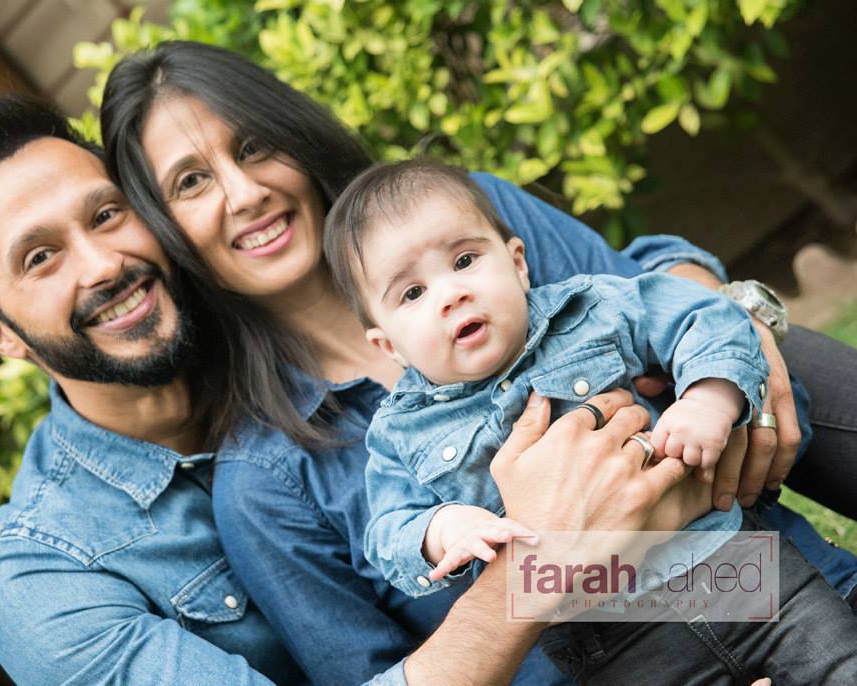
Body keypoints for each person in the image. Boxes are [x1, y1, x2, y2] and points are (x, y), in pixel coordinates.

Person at [99, 41, 857, 685]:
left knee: (773, 350)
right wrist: (505, 545)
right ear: (167, 228)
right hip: (620, 658)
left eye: (253, 146)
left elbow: (641, 288)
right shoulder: (267, 484)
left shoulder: (464, 213)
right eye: (191, 183)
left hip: (757, 570)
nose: (245, 193)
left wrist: (727, 331)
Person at [0, 91, 713, 686]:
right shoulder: (46, 579)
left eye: (106, 214)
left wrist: (730, 320)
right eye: (39, 258)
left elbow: (642, 293)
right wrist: (539, 557)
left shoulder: (362, 312)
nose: (101, 265)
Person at [323, 158, 857, 684]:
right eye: (412, 294)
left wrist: (707, 399)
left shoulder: (588, 308)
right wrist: (443, 530)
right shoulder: (399, 434)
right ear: (388, 345)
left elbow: (701, 315)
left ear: (517, 263)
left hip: (731, 565)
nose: (450, 293)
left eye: (464, 260)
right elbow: (389, 533)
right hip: (613, 641)